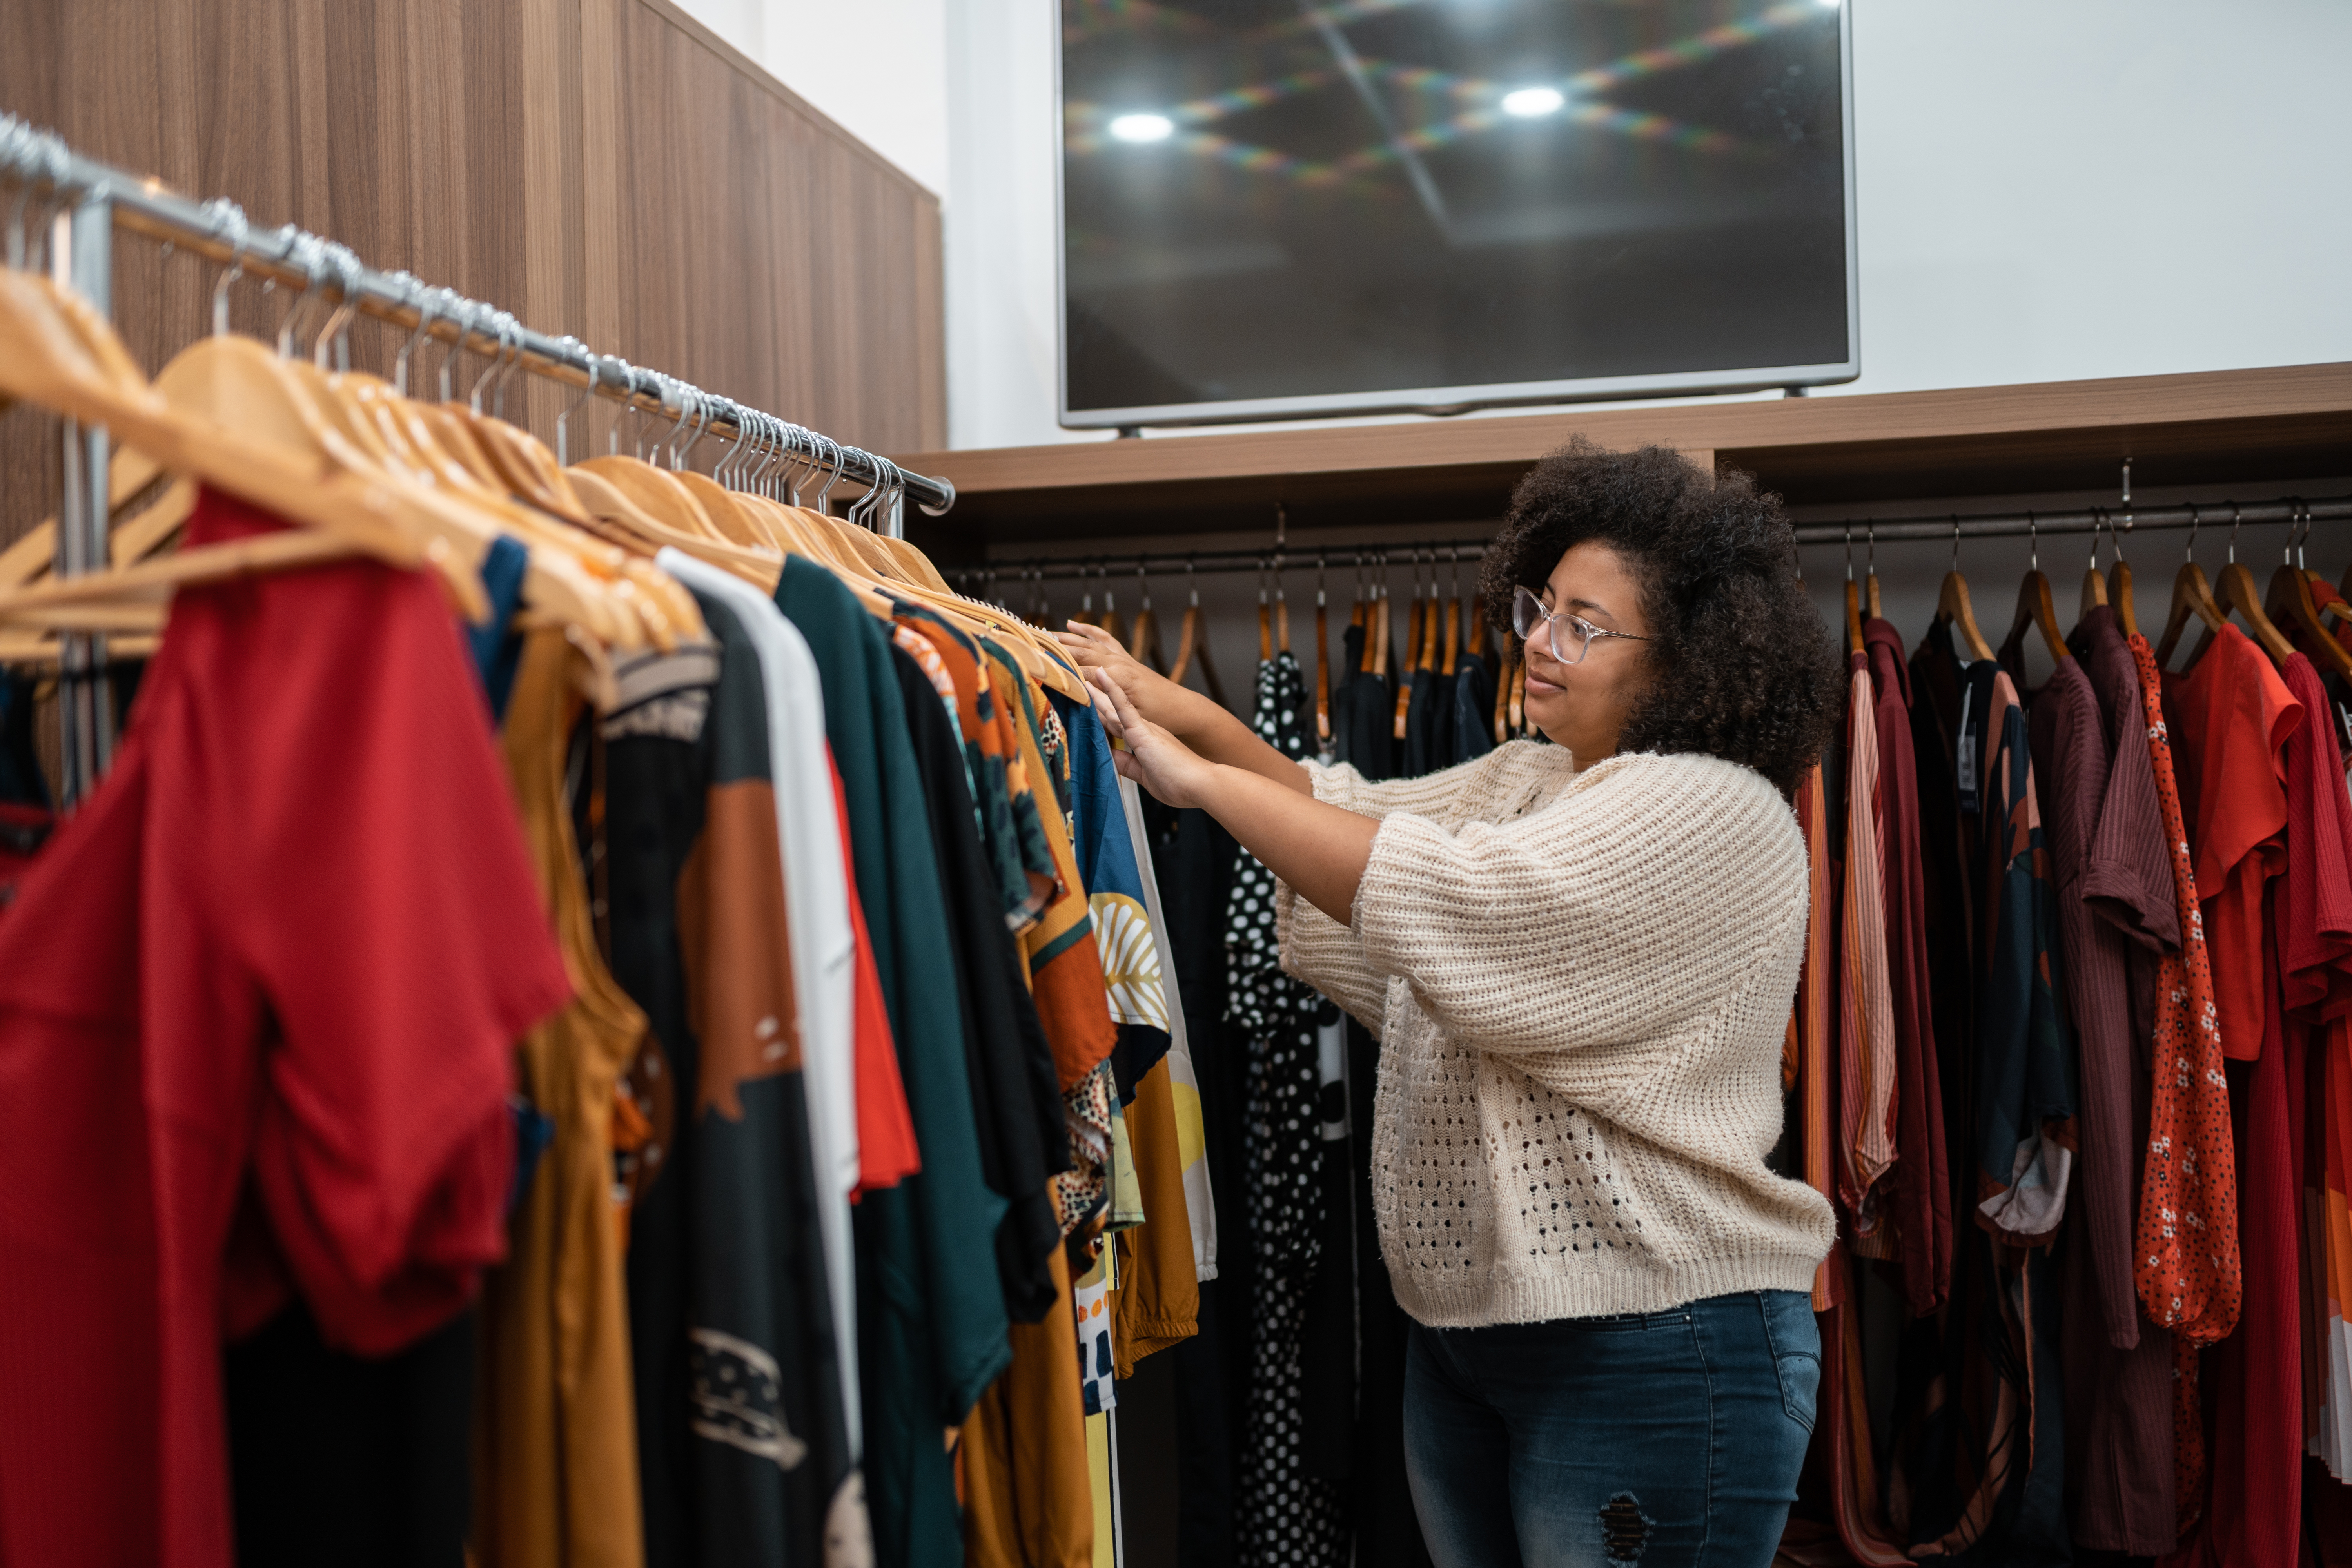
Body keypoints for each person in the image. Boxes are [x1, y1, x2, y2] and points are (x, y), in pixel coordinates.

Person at [1056, 441, 1843, 1568]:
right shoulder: (1533, 778)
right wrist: (1183, 713)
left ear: (1683, 662)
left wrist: (1195, 780)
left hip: (1657, 1339)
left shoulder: (1715, 810)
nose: (1538, 640)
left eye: (1584, 623)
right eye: (1540, 607)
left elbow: (1444, 893)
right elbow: (1348, 815)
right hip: (1472, 1334)